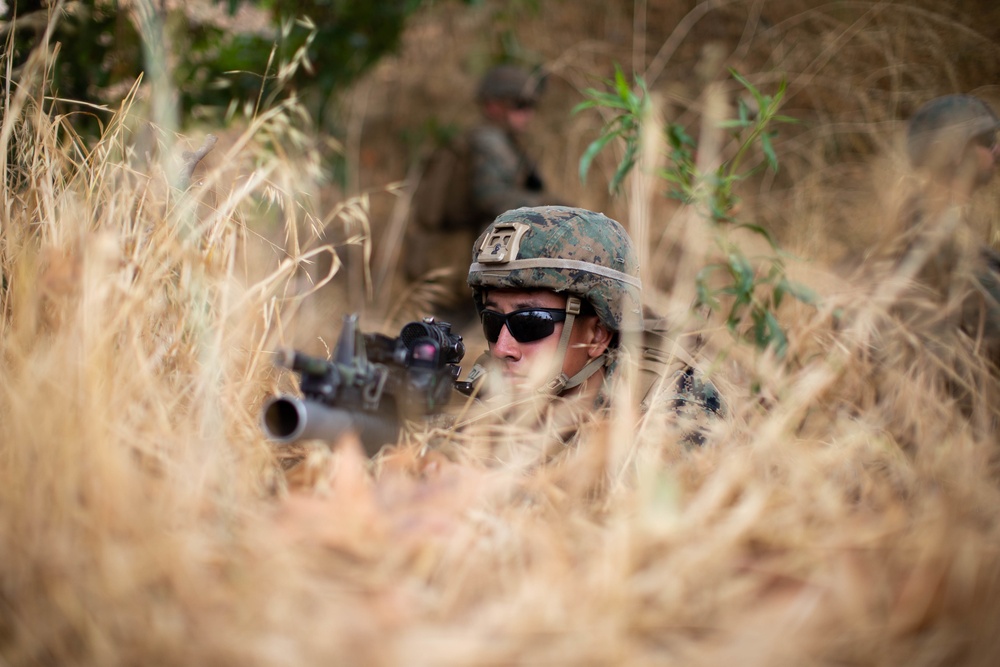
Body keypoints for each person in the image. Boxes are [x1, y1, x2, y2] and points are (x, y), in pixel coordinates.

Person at [460, 205, 724, 452]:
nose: (503, 348)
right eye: (493, 321)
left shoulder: (677, 411)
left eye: (530, 322)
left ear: (597, 335)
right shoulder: (495, 406)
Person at [404, 65, 562, 325]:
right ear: (493, 106)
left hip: (448, 259)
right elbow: (492, 197)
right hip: (458, 261)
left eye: (530, 106)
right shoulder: (489, 141)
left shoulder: (492, 141)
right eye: (519, 105)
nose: (527, 114)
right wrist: (552, 209)